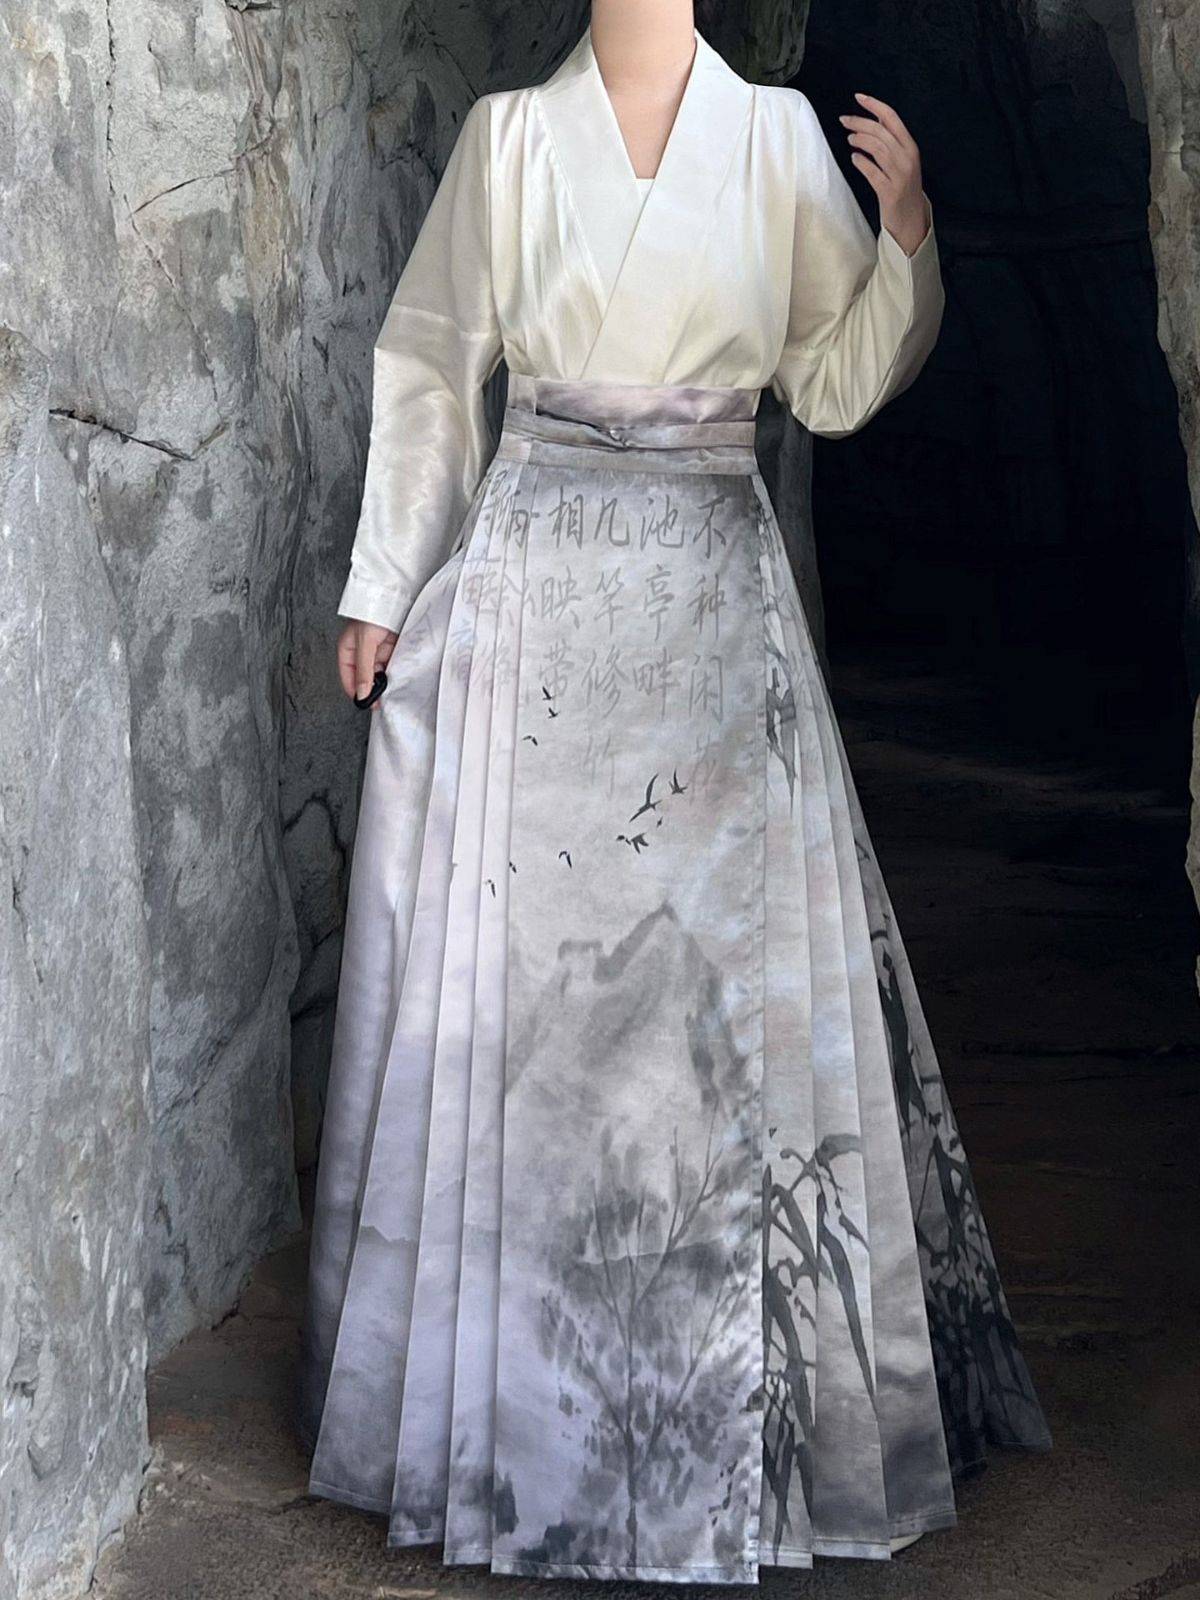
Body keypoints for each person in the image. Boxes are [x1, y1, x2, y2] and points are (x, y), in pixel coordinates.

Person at [299, 5, 1051, 1582]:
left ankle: (734, 1428)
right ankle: (521, 1424)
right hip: (537, 602)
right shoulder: (509, 138)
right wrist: (385, 582)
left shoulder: (773, 139)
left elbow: (828, 383)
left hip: (714, 608)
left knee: (713, 1015)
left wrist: (907, 243)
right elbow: (432, 364)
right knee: (537, 1012)